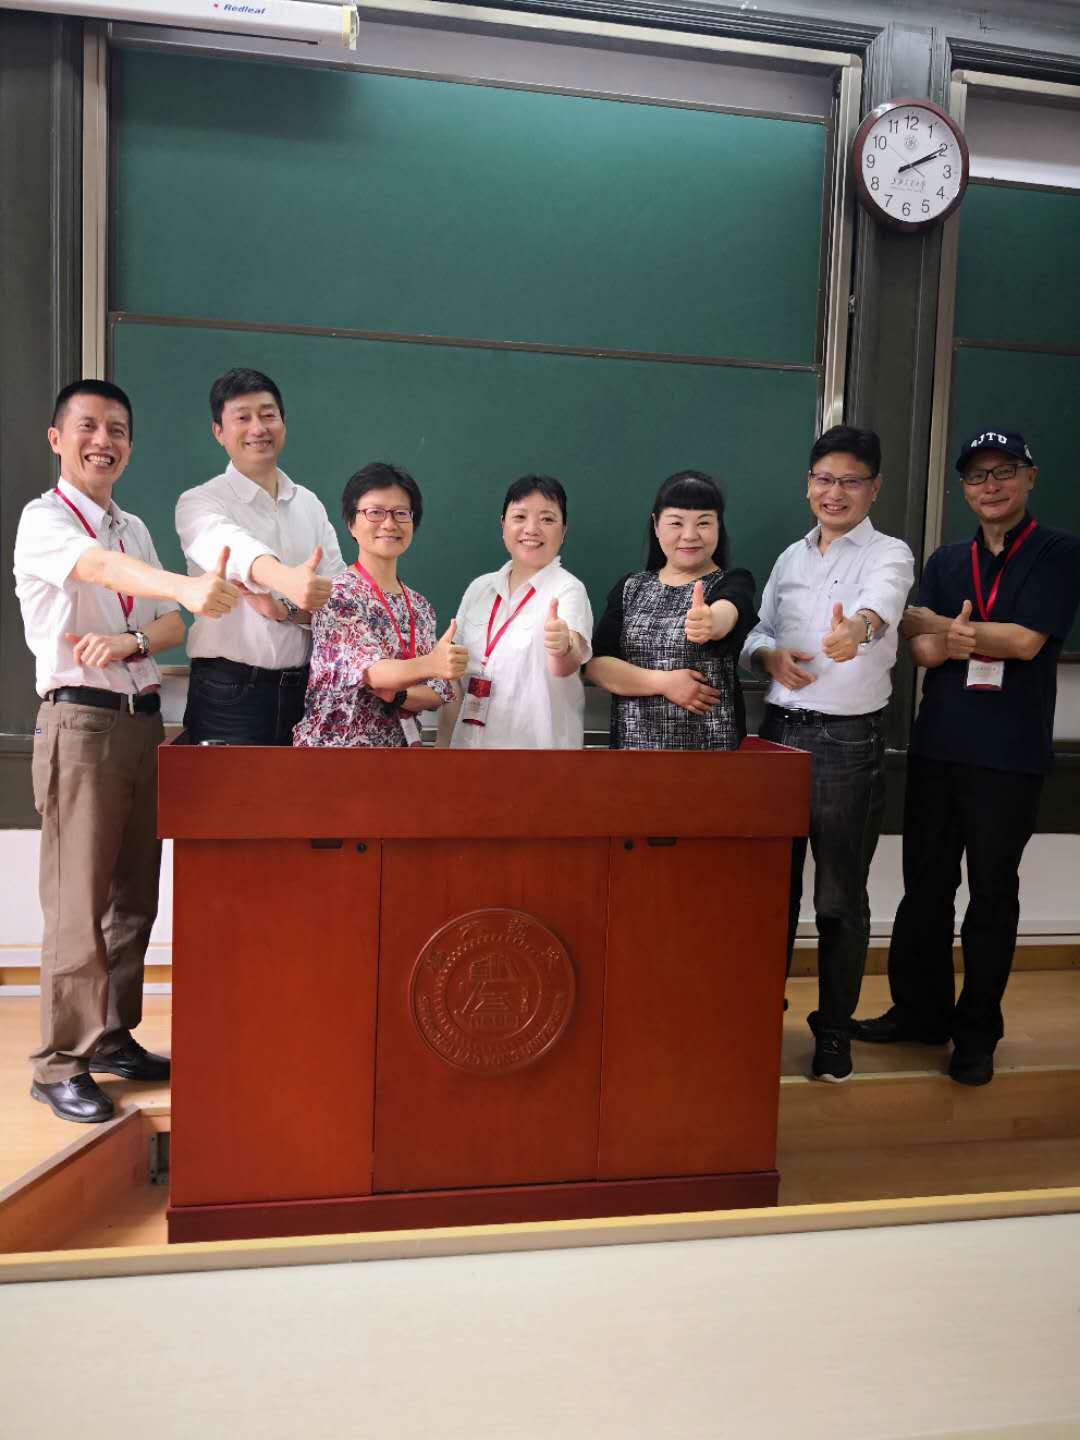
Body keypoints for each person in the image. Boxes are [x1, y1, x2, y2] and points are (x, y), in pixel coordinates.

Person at [13, 379, 240, 1123]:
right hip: (80, 723)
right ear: (57, 439)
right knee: (77, 901)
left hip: (142, 723)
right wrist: (185, 587)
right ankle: (59, 1063)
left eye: (116, 430)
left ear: (130, 445)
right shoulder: (45, 519)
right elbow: (100, 571)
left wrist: (135, 638)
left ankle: (112, 1037)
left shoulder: (133, 527)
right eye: (87, 427)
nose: (102, 441)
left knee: (133, 898)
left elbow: (172, 624)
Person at [857, 428, 1080, 1086]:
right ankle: (919, 1013)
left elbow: (1025, 642)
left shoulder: (1059, 553)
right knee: (925, 890)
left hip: (1009, 756)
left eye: (1004, 471)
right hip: (939, 746)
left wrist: (947, 630)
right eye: (978, 476)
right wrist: (949, 637)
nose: (991, 485)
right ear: (963, 489)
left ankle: (977, 1032)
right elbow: (921, 650)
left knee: (991, 895)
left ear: (1029, 476)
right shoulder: (947, 560)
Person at [741, 425, 914, 1083]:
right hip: (779, 735)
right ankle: (762, 1017)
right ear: (808, 484)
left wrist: (857, 632)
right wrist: (766, 655)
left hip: (847, 744)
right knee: (771, 895)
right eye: (823, 479)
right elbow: (758, 629)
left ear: (873, 488)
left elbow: (880, 608)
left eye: (849, 481)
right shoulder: (791, 558)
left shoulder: (889, 553)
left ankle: (835, 1032)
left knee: (839, 899)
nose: (833, 492)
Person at [175, 367, 345, 744]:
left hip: (307, 691)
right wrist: (286, 579)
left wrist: (286, 609)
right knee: (227, 787)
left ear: (283, 423)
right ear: (218, 432)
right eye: (242, 418)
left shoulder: (309, 504)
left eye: (268, 415)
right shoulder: (199, 502)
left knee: (302, 787)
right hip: (229, 694)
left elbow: (339, 597)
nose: (258, 428)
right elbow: (232, 546)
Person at [293, 463, 465, 747]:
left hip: (397, 756)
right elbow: (374, 673)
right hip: (334, 755)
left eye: (401, 513)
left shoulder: (420, 606)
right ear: (351, 524)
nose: (389, 524)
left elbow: (438, 691)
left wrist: (399, 695)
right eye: (375, 512)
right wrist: (431, 664)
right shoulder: (337, 595)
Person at [586, 470, 756, 750]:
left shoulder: (732, 582)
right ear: (656, 525)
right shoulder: (631, 587)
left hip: (713, 758)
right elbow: (595, 665)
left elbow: (728, 611)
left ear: (718, 525)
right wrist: (664, 683)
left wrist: (711, 622)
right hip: (632, 756)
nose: (689, 535)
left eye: (703, 523)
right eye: (676, 522)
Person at [437, 475, 593, 749]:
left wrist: (563, 647)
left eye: (547, 519)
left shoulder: (568, 590)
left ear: (564, 531)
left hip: (536, 758)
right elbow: (453, 682)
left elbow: (568, 664)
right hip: (468, 754)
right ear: (503, 525)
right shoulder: (480, 589)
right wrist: (442, 750)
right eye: (520, 517)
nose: (531, 529)